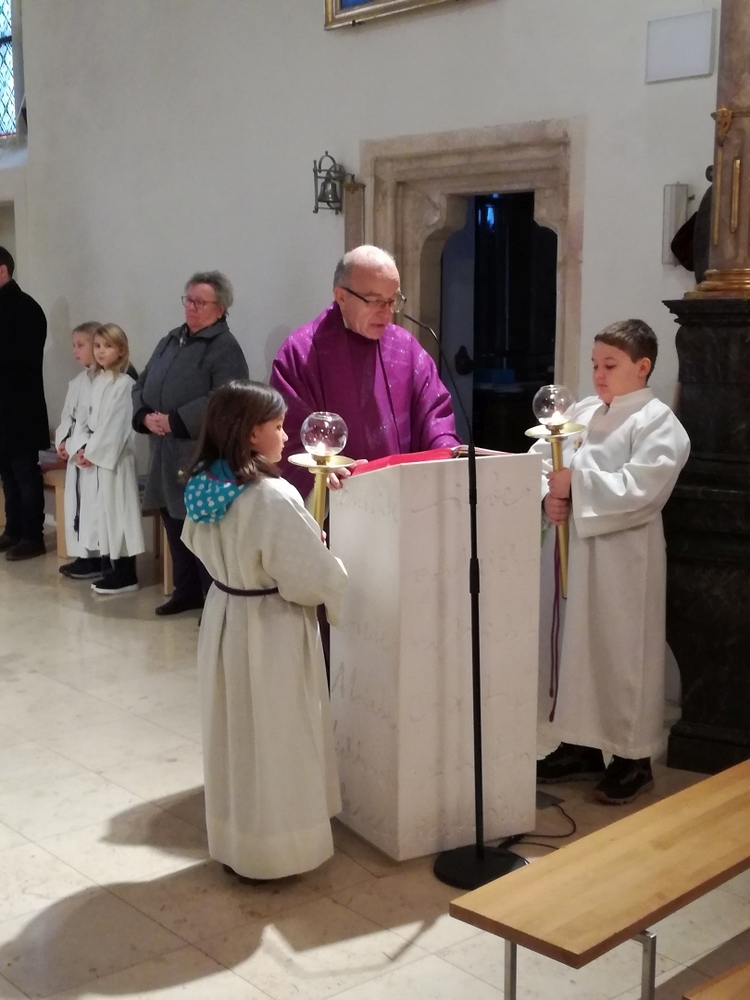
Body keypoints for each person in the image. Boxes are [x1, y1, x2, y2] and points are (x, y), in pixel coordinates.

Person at [181, 380, 347, 881]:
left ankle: (237, 842)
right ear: (251, 433)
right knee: (278, 735)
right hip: (270, 625)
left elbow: (196, 540)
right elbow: (311, 577)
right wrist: (333, 579)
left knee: (235, 733)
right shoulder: (271, 496)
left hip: (225, 615)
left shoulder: (205, 484)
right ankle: (279, 853)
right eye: (278, 426)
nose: (286, 436)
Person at [534, 320, 690, 805]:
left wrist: (575, 486)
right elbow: (541, 460)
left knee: (620, 651)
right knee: (575, 647)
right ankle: (579, 745)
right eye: (595, 365)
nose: (598, 375)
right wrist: (546, 496)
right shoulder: (582, 411)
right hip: (573, 552)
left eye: (610, 365)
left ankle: (632, 759)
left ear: (642, 367)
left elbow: (643, 489)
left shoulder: (658, 422)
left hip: (623, 560)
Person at [270, 245, 460, 496]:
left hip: (403, 499)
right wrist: (323, 474)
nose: (387, 312)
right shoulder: (301, 353)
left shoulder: (406, 348)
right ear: (341, 297)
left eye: (392, 301)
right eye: (375, 301)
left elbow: (435, 414)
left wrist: (446, 452)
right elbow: (286, 437)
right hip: (338, 501)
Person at [133, 271, 248, 616]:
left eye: (201, 302)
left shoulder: (225, 347)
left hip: (198, 452)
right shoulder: (171, 339)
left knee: (201, 525)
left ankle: (213, 599)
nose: (192, 307)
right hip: (163, 450)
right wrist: (144, 416)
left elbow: (227, 397)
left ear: (221, 308)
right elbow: (141, 382)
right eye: (189, 300)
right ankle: (186, 592)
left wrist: (176, 420)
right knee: (172, 518)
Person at [78, 325, 145, 595]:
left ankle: (127, 573)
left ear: (121, 350)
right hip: (98, 457)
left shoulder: (125, 384)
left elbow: (115, 427)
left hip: (116, 459)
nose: (101, 351)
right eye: (97, 346)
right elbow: (88, 420)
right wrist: (83, 447)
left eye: (107, 346)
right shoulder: (99, 380)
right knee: (105, 513)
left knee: (120, 513)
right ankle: (111, 567)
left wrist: (91, 452)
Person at [0, 247, 49, 561]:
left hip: (20, 407)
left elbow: (20, 360)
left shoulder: (25, 308)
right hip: (3, 408)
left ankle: (33, 536)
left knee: (24, 473)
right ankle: (13, 529)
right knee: (6, 473)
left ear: (2, 270)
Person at [55, 322, 104, 580]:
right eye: (73, 345)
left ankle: (97, 559)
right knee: (78, 506)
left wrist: (82, 447)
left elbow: (95, 423)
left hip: (92, 456)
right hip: (77, 455)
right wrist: (63, 442)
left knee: (94, 509)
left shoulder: (106, 381)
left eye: (80, 345)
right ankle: (84, 556)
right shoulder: (77, 382)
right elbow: (68, 417)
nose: (75, 351)